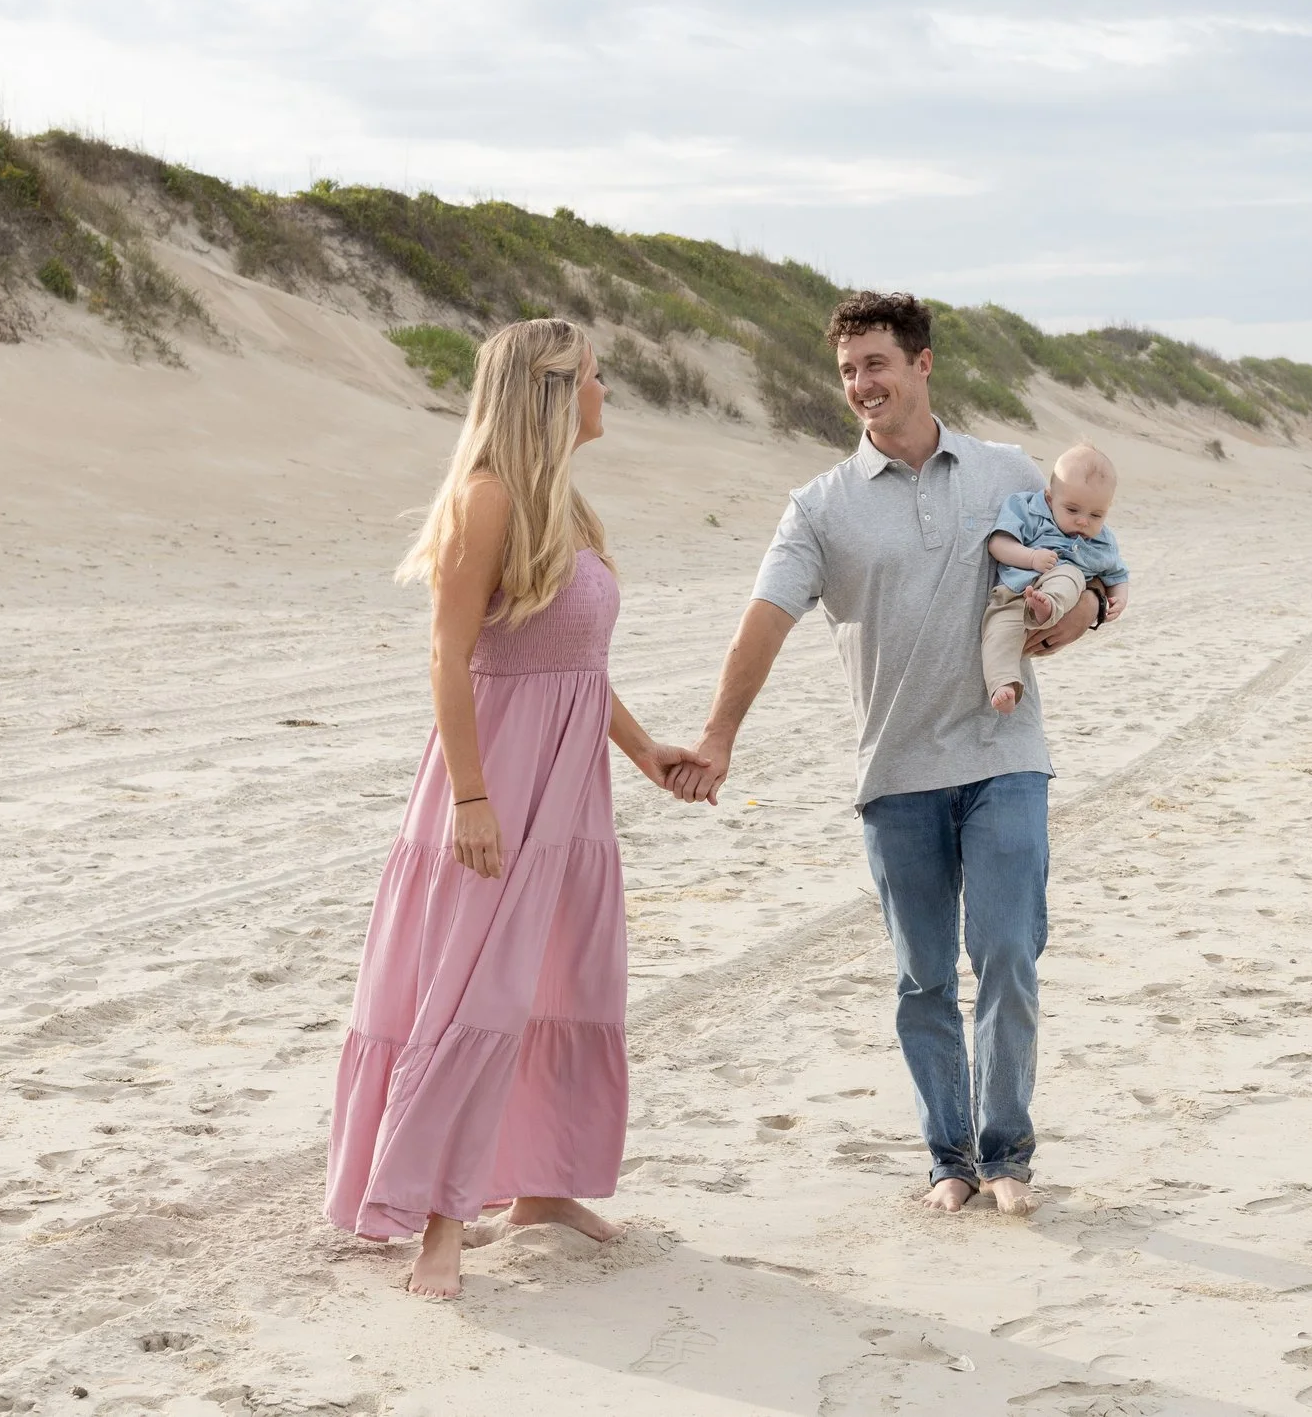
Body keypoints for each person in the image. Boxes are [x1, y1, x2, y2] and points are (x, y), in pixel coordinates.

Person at [667, 292, 1106, 1215]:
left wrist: (1096, 608)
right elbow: (765, 621)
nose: (862, 385)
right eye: (848, 371)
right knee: (924, 977)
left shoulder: (1005, 471)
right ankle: (948, 1156)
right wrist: (719, 733)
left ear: (922, 364)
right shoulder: (820, 507)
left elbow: (1092, 559)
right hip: (896, 773)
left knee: (1008, 952)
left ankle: (1008, 1154)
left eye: (877, 364)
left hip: (1004, 755)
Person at [325, 318, 701, 1298]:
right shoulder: (484, 498)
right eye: (592, 376)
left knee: (570, 981)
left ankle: (544, 1185)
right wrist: (473, 797)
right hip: (496, 783)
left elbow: (576, 664)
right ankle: (438, 1225)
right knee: (475, 996)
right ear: (547, 390)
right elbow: (449, 657)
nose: (604, 390)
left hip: (572, 793)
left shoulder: (563, 507)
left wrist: (644, 745)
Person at [982, 441, 1130, 715]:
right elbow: (998, 544)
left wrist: (1119, 598)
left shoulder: (1103, 541)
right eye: (1072, 510)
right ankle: (1003, 684)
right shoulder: (1027, 509)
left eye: (1096, 514)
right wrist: (1031, 558)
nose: (1084, 521)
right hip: (1012, 593)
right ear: (1049, 498)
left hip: (1060, 592)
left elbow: (1117, 574)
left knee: (1070, 573)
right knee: (999, 633)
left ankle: (1045, 606)